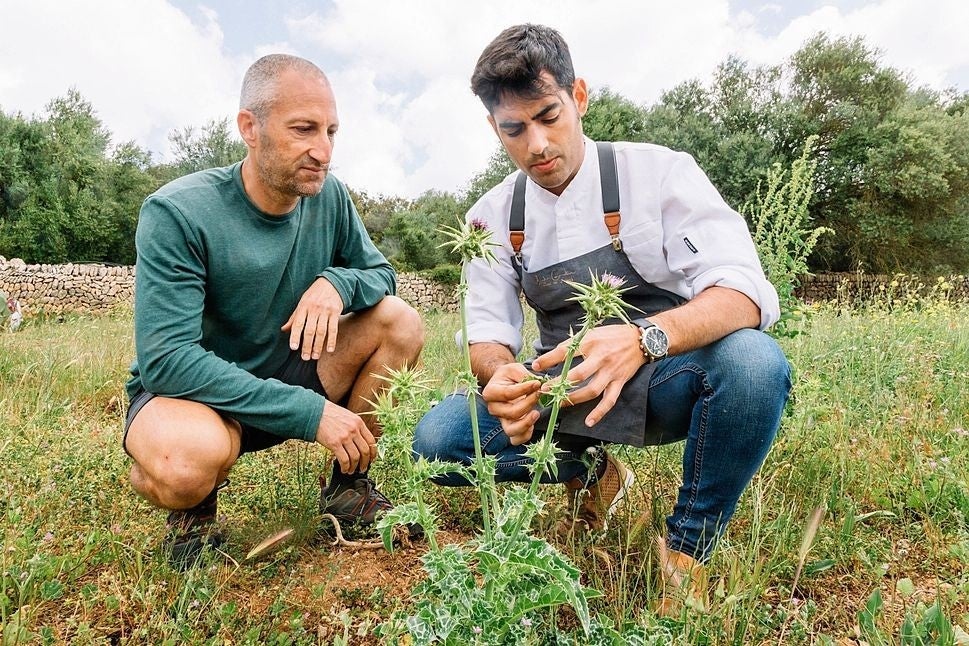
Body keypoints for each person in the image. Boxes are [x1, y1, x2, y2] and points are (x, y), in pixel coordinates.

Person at [412, 24, 791, 615]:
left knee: (754, 363)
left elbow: (744, 294)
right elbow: (487, 336)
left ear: (579, 96)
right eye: (515, 129)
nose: (537, 144)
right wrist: (500, 377)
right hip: (560, 391)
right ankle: (592, 476)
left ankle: (686, 551)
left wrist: (645, 339)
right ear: (494, 129)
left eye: (549, 115)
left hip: (664, 377)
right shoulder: (491, 217)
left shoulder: (659, 173)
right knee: (436, 441)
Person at [125, 54, 424, 569]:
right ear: (250, 127)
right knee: (184, 463)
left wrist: (337, 283)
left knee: (400, 320)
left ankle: (349, 489)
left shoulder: (329, 197)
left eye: (332, 131)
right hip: (197, 396)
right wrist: (311, 413)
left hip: (288, 367)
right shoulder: (177, 212)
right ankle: (193, 511)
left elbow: (381, 275)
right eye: (304, 129)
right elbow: (166, 360)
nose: (323, 150)